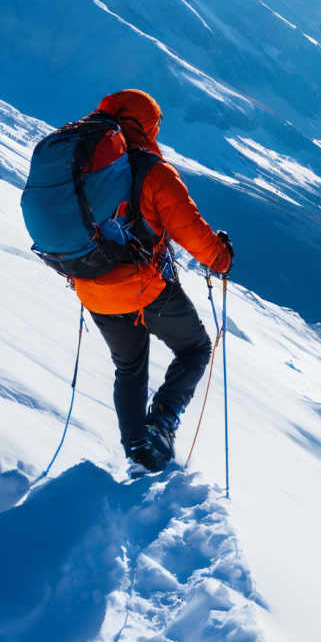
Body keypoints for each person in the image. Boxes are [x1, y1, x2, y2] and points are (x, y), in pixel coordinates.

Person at [69, 89, 233, 472]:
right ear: (147, 125)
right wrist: (222, 258)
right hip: (146, 287)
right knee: (195, 348)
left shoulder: (80, 162)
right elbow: (194, 235)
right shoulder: (152, 171)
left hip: (91, 286)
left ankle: (139, 451)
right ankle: (161, 423)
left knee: (129, 367)